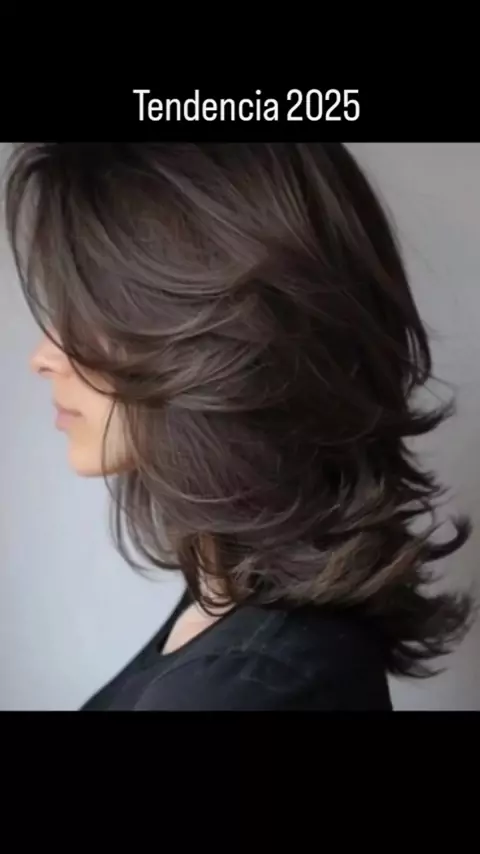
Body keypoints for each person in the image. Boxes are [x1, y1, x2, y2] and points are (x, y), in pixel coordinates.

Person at [4, 142, 474, 711]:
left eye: (87, 314)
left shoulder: (245, 688)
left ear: (234, 339)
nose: (44, 357)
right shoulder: (232, 603)